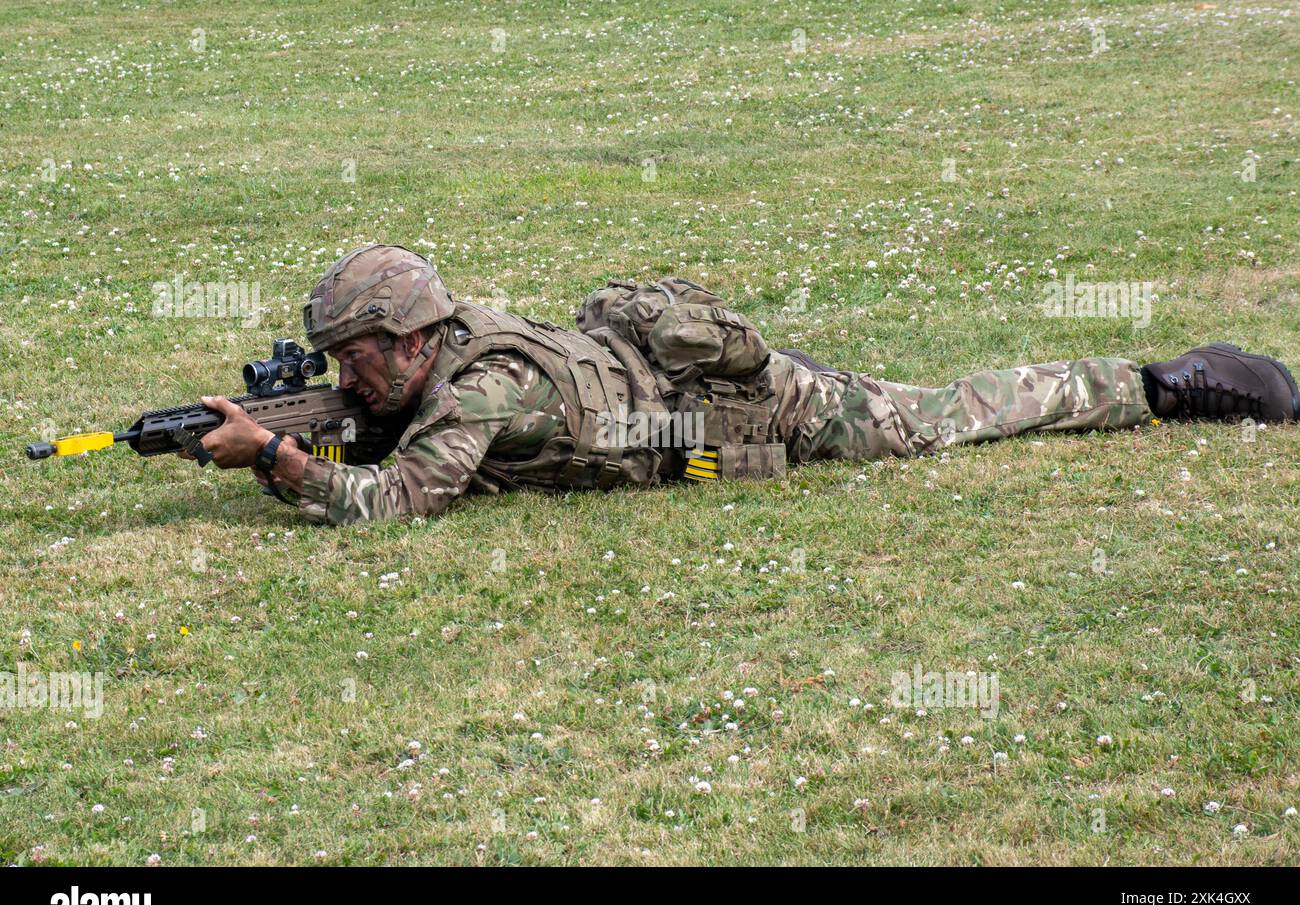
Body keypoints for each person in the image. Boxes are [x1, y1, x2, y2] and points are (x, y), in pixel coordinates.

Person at [194, 244, 1300, 525]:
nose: (349, 376)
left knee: (956, 414)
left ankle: (1167, 383)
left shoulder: (480, 391)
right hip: (697, 409)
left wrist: (281, 460)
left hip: (766, 411)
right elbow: (389, 441)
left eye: (357, 356)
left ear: (415, 338)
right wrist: (321, 430)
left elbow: (397, 504)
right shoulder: (457, 348)